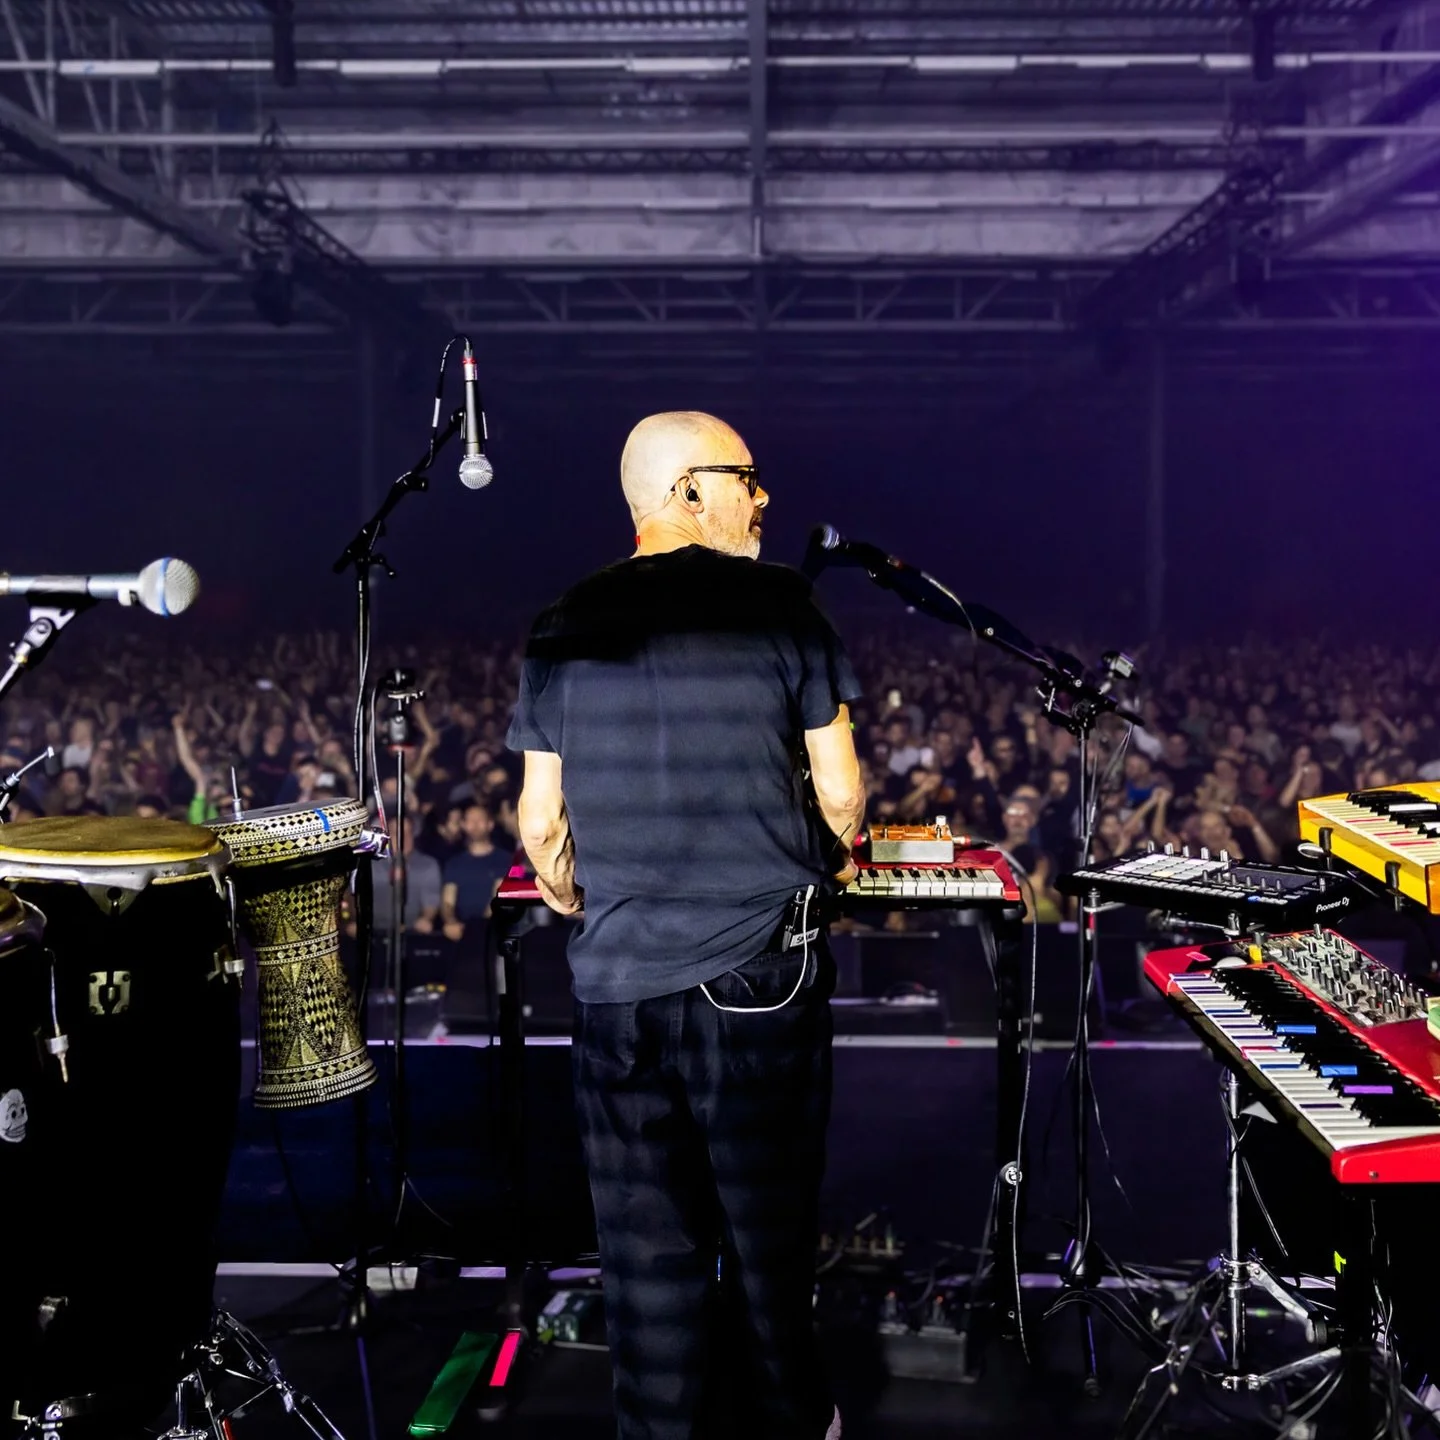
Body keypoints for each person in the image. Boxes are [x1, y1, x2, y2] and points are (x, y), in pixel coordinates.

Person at [508, 410, 863, 1440]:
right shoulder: (779, 605)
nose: (762, 499)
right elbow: (840, 798)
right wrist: (837, 853)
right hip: (757, 978)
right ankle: (792, 1423)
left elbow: (541, 823)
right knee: (767, 1239)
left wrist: (587, 902)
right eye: (746, 479)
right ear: (689, 491)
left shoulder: (563, 619)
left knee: (643, 1256)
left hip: (618, 988)